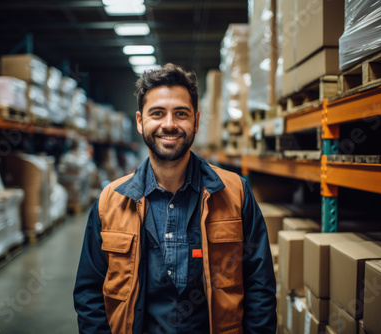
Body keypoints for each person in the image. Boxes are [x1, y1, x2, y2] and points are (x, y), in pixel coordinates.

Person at [74, 63, 277, 333]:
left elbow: (260, 287)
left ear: (195, 120)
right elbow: (89, 294)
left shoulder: (235, 193)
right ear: (139, 121)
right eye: (157, 113)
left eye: (180, 113)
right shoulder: (110, 202)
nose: (169, 124)